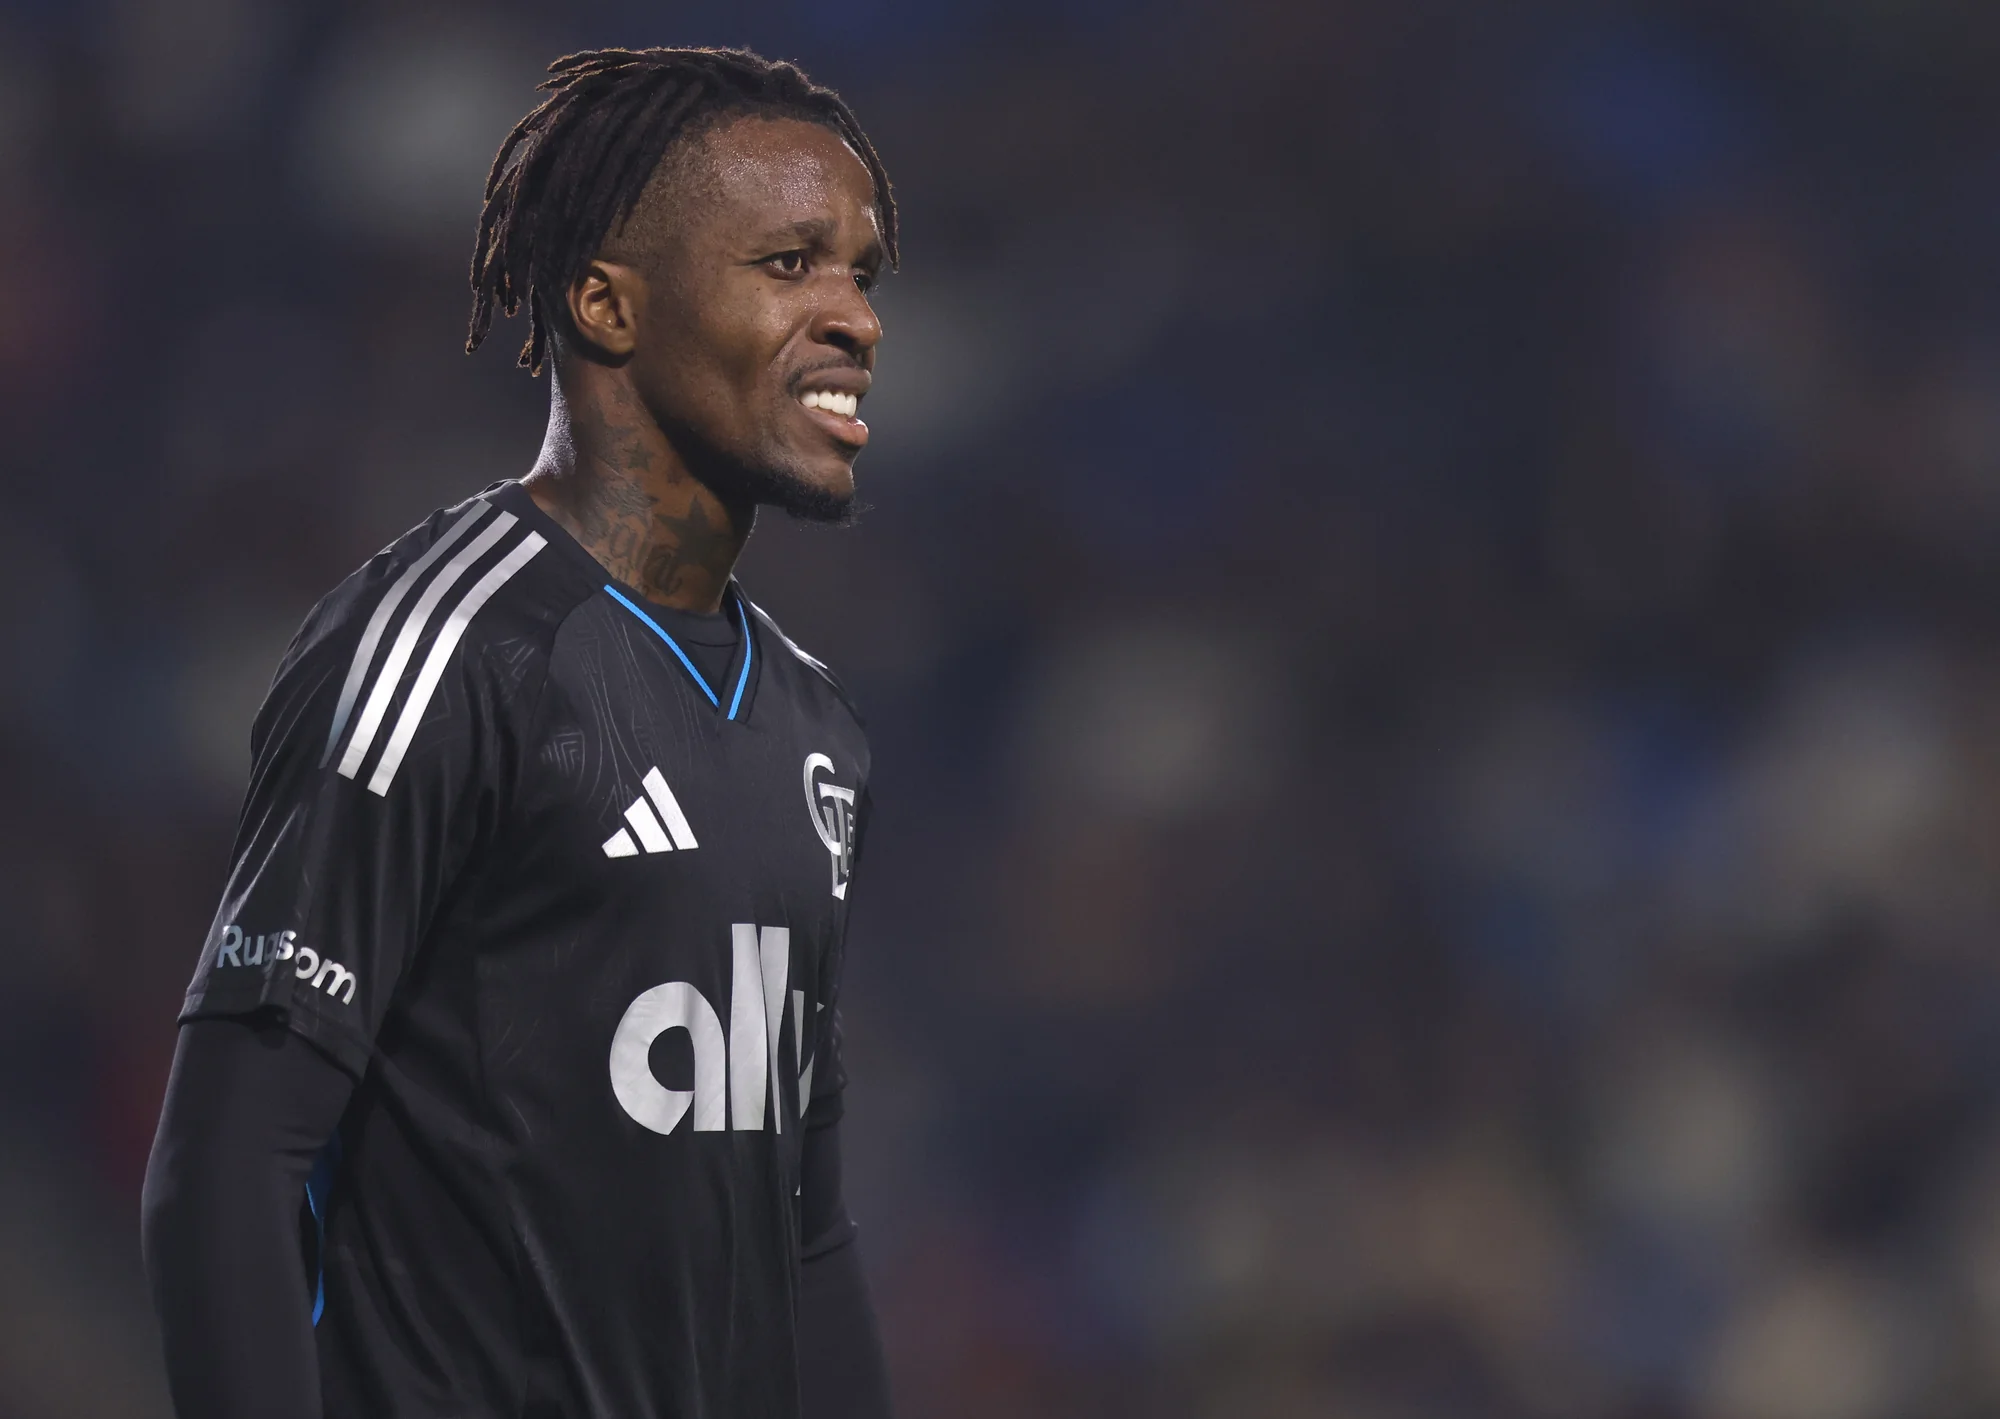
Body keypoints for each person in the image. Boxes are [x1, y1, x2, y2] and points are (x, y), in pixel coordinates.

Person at [140, 46, 898, 1419]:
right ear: (608, 303)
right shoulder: (444, 651)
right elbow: (230, 1165)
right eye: (791, 265)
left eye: (862, 273)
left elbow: (804, 1232)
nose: (854, 316)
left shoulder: (814, 726)